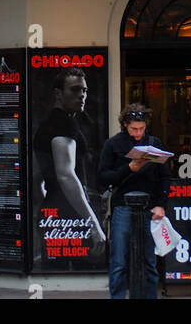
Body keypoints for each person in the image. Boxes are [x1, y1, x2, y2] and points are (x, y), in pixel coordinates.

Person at [32, 67, 105, 267]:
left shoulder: (47, 125)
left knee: (56, 273)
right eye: (75, 90)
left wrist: (46, 207)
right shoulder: (64, 124)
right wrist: (93, 223)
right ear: (58, 93)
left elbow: (37, 178)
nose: (82, 95)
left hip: (54, 211)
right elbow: (66, 175)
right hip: (71, 215)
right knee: (83, 274)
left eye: (85, 90)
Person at [97, 103, 169, 300]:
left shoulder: (154, 142)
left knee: (149, 260)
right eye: (133, 129)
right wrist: (129, 168)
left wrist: (161, 204)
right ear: (125, 126)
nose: (138, 133)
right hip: (123, 206)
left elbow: (165, 177)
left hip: (150, 206)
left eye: (141, 128)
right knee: (119, 259)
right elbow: (103, 177)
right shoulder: (113, 144)